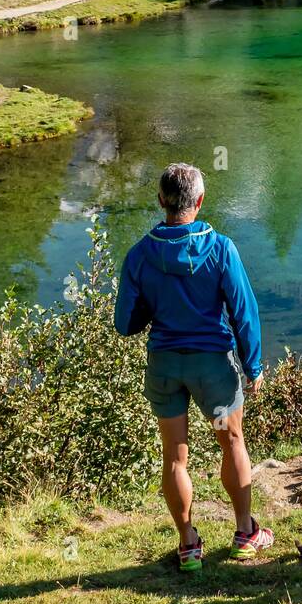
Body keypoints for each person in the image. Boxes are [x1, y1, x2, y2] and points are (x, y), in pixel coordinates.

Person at [115, 162, 273, 570]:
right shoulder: (221, 248)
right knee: (231, 442)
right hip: (212, 374)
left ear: (161, 201)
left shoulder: (139, 254)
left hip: (166, 369)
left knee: (174, 457)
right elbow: (243, 312)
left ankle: (188, 544)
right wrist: (253, 366)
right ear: (199, 201)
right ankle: (244, 533)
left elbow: (125, 324)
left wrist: (156, 304)